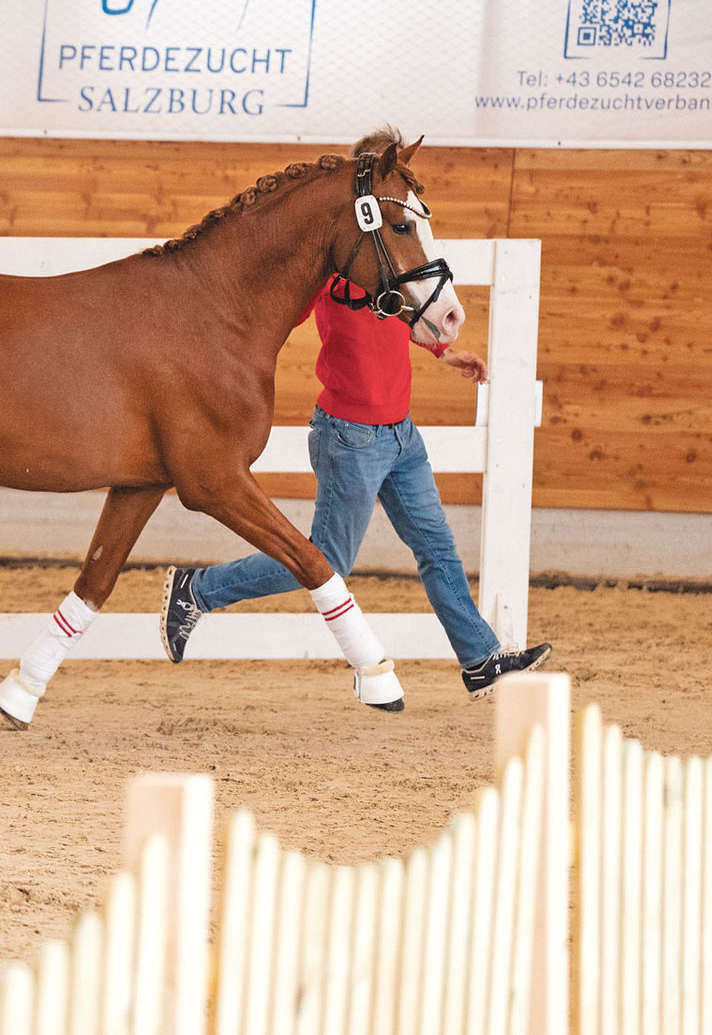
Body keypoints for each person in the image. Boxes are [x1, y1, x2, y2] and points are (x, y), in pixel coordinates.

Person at [159, 264, 553, 708]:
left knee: (437, 547)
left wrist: (442, 351)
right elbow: (272, 311)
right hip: (349, 438)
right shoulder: (324, 275)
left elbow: (400, 316)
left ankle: (481, 659)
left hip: (402, 434)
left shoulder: (379, 261)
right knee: (324, 562)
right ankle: (199, 590)